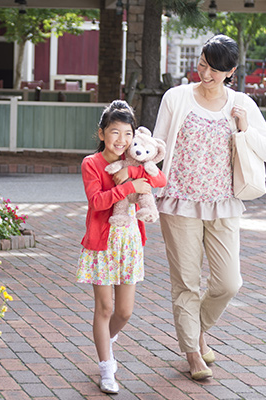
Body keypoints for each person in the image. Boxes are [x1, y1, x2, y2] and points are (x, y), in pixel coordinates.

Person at [151, 35, 266, 381]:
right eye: (203, 64)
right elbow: (159, 146)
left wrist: (244, 128)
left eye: (214, 69)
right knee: (186, 283)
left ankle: (197, 329)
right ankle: (192, 352)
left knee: (228, 283)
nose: (205, 73)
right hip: (179, 201)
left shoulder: (241, 104)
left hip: (224, 204)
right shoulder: (176, 97)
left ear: (230, 71)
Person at [78, 100, 167, 394]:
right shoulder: (92, 164)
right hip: (102, 245)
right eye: (115, 133)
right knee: (104, 308)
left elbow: (160, 179)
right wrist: (130, 186)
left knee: (125, 312)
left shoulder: (137, 163)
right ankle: (107, 368)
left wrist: (140, 176)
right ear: (102, 134)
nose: (122, 140)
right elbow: (98, 202)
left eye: (128, 134)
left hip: (129, 243)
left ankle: (105, 339)